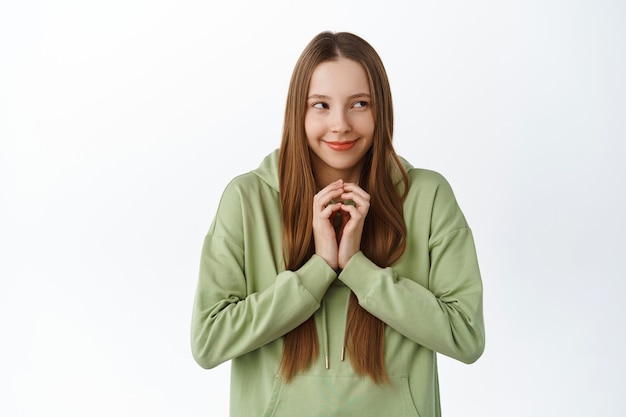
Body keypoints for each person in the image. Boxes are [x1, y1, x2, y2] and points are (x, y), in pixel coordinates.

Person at [191, 31, 485, 417]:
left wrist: (358, 270)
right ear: (299, 111)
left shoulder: (428, 196)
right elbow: (208, 342)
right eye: (321, 105)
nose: (341, 124)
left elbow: (466, 336)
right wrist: (318, 271)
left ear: (382, 109)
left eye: (359, 104)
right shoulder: (247, 199)